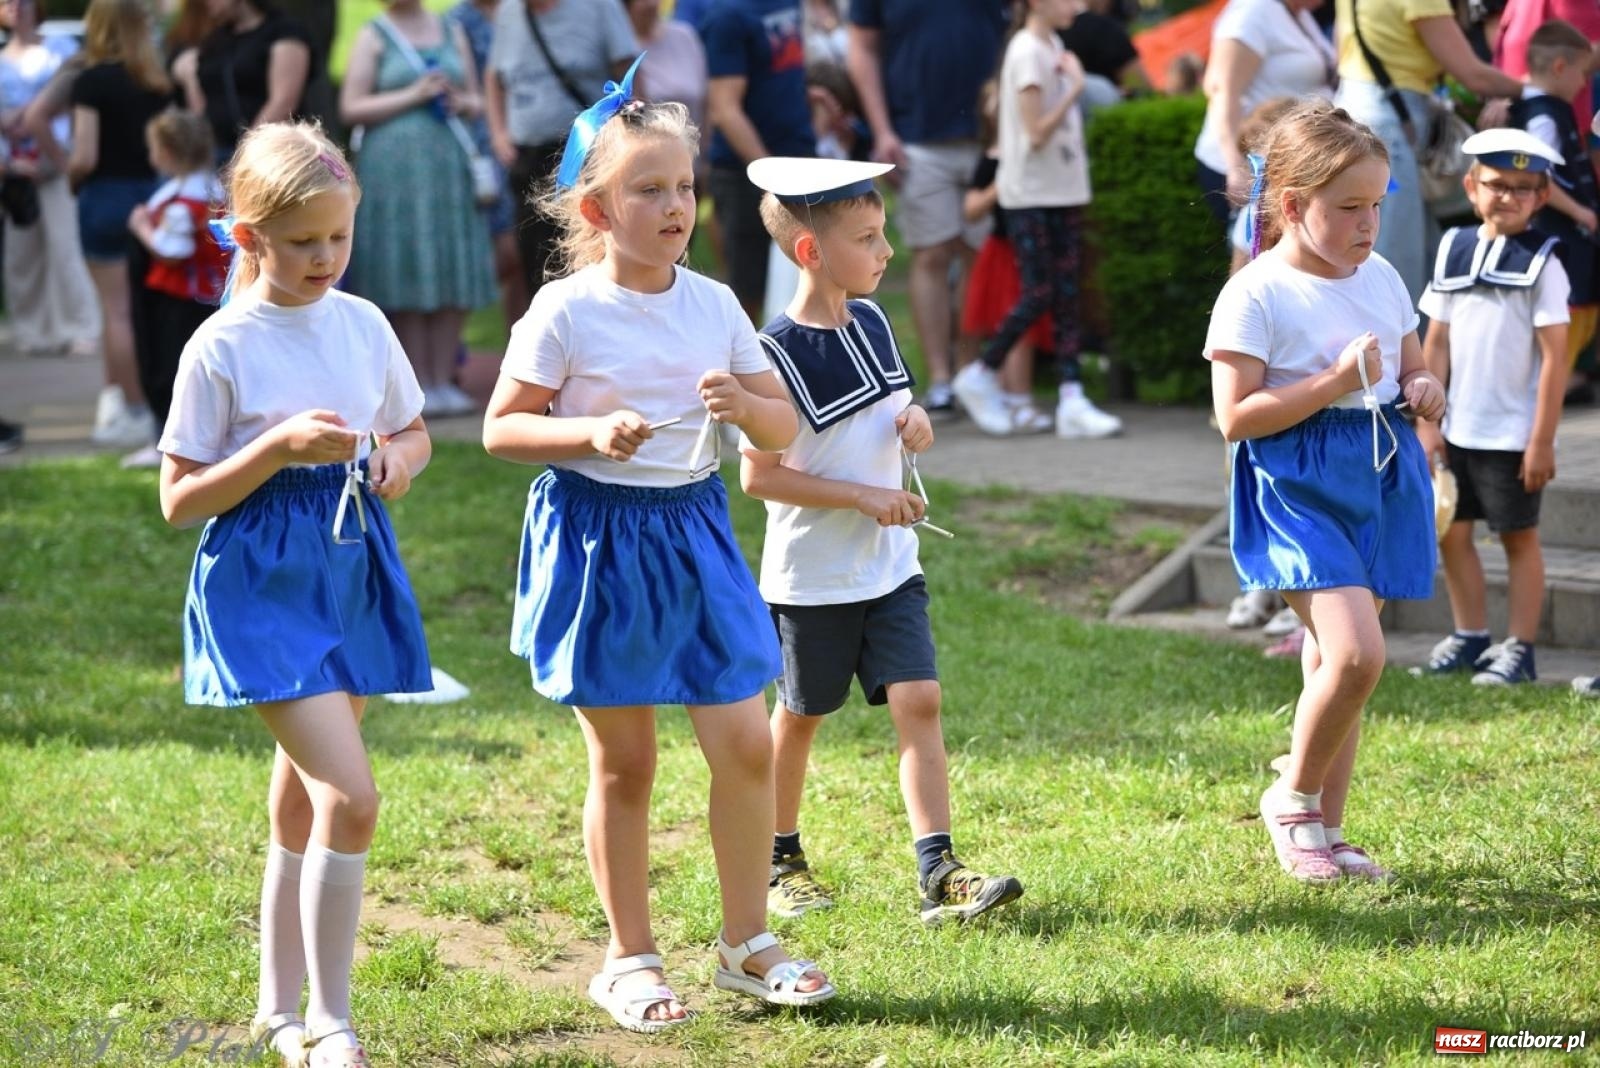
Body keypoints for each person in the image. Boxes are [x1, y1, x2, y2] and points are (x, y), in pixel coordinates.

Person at [479, 70, 834, 1033]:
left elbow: (781, 429)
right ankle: (628, 956)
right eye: (649, 190)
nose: (675, 204)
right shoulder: (565, 311)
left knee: (744, 744)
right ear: (597, 208)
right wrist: (587, 434)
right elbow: (502, 431)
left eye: (683, 186)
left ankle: (746, 944)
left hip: (695, 529)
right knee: (626, 763)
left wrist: (745, 405)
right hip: (600, 540)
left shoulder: (716, 301)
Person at [157, 121, 432, 1068]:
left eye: (339, 238)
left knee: (304, 804)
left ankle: (276, 1009)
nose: (326, 258)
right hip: (261, 585)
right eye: (305, 241)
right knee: (352, 799)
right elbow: (179, 499)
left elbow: (414, 432)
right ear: (248, 238)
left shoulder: (364, 323)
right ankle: (330, 1021)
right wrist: (273, 449)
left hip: (353, 565)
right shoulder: (221, 345)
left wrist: (396, 459)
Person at [742, 155, 1026, 925]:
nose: (887, 251)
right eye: (868, 238)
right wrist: (862, 496)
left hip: (890, 569)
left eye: (883, 232)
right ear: (811, 252)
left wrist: (917, 425)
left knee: (921, 698)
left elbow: (894, 416)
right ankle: (779, 857)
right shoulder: (773, 354)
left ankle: (939, 868)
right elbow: (759, 478)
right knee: (801, 713)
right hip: (813, 580)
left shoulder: (871, 319)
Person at [1206, 99, 1445, 884]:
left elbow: (1411, 363)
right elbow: (1236, 417)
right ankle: (1294, 799)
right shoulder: (1257, 293)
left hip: (1377, 470)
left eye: (1378, 204)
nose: (1368, 224)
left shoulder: (1378, 275)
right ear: (1293, 206)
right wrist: (1335, 379)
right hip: (1296, 478)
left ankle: (1330, 830)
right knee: (1356, 655)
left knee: (1334, 667)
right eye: (1349, 209)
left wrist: (1422, 385)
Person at [1412, 129, 1568, 684]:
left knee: (1517, 537)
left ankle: (1520, 649)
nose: (1509, 196)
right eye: (1497, 185)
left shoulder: (1545, 264)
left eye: (1524, 188)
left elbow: (1555, 358)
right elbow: (1436, 343)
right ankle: (1470, 635)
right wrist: (1428, 425)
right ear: (1471, 186)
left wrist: (1542, 438)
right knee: (1453, 531)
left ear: (1543, 197)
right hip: (1457, 427)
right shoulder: (1453, 249)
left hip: (1510, 435)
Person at [951, 0, 1121, 441]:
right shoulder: (1028, 50)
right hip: (1031, 193)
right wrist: (1074, 88)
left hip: (1062, 189)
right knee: (1041, 289)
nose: (1078, 5)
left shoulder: (1053, 44)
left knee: (1065, 295)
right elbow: (1036, 132)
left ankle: (1071, 397)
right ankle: (981, 371)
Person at [846, 0, 1005, 414]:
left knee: (978, 256)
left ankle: (971, 371)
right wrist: (881, 130)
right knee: (932, 254)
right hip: (914, 137)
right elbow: (861, 47)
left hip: (988, 139)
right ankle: (940, 380)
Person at [340, 0, 496, 418]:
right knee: (404, 269)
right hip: (395, 177)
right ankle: (417, 385)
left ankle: (445, 378)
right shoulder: (374, 34)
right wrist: (414, 94)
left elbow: (477, 99)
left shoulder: (451, 28)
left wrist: (460, 101)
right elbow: (351, 107)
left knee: (449, 266)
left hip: (448, 169)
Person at [1331, 0, 1527, 303]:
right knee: (1397, 262)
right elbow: (1473, 75)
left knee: (1419, 252)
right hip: (1388, 128)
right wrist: (1538, 87)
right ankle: (1401, 348)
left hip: (1357, 110)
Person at [64, 0, 175, 450]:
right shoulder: (157, 84)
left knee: (116, 312)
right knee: (145, 311)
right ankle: (145, 402)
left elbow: (85, 155)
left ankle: (131, 410)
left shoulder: (92, 82)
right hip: (150, 197)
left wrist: (70, 176)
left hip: (105, 197)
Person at [484, 0, 637, 316]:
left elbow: (631, 79)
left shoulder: (600, 8)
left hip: (587, 158)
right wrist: (499, 132)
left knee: (591, 258)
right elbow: (494, 78)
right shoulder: (509, 13)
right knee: (536, 263)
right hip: (527, 161)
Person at [123, 108, 227, 469]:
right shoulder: (212, 189)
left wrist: (141, 228)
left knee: (170, 368)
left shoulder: (186, 199)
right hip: (203, 296)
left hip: (178, 299)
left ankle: (171, 444)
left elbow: (173, 251)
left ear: (167, 152)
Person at [701, 0, 815, 324]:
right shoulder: (727, 16)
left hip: (798, 165)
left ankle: (796, 371)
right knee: (748, 296)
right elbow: (725, 108)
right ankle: (744, 372)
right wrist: (770, 174)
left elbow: (781, 76)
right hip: (747, 175)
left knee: (805, 283)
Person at [0, 0, 100, 360]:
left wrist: (67, 157)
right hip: (14, 169)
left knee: (66, 247)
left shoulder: (61, 50)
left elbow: (77, 102)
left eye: (21, 0)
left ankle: (81, 327)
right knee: (21, 254)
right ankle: (33, 331)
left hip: (57, 161)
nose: (15, 7)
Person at [959, 78, 1054, 434]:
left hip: (1026, 249)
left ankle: (1017, 397)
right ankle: (1017, 398)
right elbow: (971, 209)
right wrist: (1001, 184)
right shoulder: (991, 159)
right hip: (1003, 253)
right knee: (1015, 324)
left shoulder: (1028, 148)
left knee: (1024, 326)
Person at [1193, 0, 1336, 230]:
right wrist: (1235, 167)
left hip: (1283, 164)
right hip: (1248, 169)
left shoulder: (1296, 13)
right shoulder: (1252, 12)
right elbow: (1222, 90)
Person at [1509, 20, 1600, 380]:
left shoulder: (1552, 109)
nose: (1584, 83)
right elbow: (1537, 172)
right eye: (1581, 73)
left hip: (1572, 236)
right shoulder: (1543, 114)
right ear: (1560, 67)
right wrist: (1579, 210)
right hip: (1560, 234)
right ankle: (1547, 392)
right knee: (1565, 313)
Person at [447, 0, 529, 348]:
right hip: (481, 150)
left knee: (524, 254)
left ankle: (521, 346)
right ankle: (451, 343)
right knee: (502, 251)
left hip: (529, 138)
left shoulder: (526, 10)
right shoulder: (456, 21)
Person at [173, 0, 312, 163]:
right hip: (217, 153)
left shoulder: (284, 31)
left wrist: (247, 151)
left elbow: (283, 102)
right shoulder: (216, 39)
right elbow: (202, 102)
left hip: (270, 153)